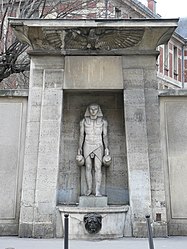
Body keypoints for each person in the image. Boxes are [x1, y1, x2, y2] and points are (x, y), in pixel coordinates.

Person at [76, 104, 111, 197]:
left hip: (99, 144)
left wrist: (107, 148)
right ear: (88, 110)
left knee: (97, 167)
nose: (93, 111)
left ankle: (97, 190)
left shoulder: (103, 122)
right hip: (87, 143)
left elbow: (105, 136)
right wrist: (79, 147)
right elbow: (81, 135)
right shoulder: (83, 121)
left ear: (98, 110)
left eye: (95, 109)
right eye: (91, 109)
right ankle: (89, 189)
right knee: (88, 166)